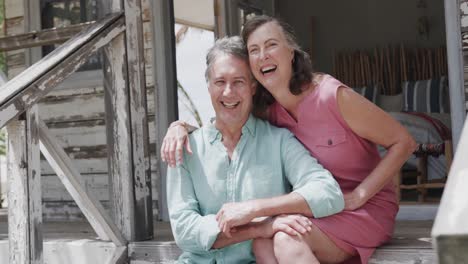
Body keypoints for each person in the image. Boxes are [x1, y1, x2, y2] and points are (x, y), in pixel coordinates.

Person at [162, 16, 417, 264]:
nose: (263, 55)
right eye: (254, 49)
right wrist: (181, 126)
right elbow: (226, 120)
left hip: (361, 205)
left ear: (291, 53)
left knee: (285, 238)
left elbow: (403, 142)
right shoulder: (269, 112)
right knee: (264, 242)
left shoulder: (329, 96)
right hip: (318, 207)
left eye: (271, 44)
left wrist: (360, 195)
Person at [166, 36, 345, 264]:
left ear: (252, 86)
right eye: (220, 82)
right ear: (209, 86)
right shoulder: (183, 146)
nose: (229, 92)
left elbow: (328, 193)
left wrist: (254, 208)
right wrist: (259, 228)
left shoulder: (278, 141)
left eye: (238, 81)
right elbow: (184, 231)